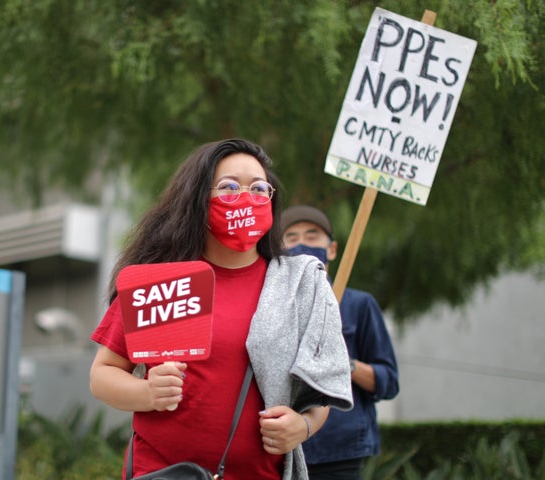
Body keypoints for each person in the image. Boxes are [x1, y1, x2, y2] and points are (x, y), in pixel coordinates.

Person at [90, 139, 353, 480]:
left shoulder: (299, 284)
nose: (246, 198)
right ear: (199, 199)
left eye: (259, 188)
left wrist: (303, 426)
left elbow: (320, 388)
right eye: (229, 187)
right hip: (162, 471)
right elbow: (102, 375)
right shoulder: (160, 281)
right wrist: (146, 392)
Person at [280, 205, 400, 480]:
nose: (301, 244)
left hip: (341, 451)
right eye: (292, 237)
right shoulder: (270, 308)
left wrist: (342, 363)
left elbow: (388, 381)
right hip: (281, 448)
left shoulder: (359, 305)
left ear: (332, 249)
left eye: (312, 236)